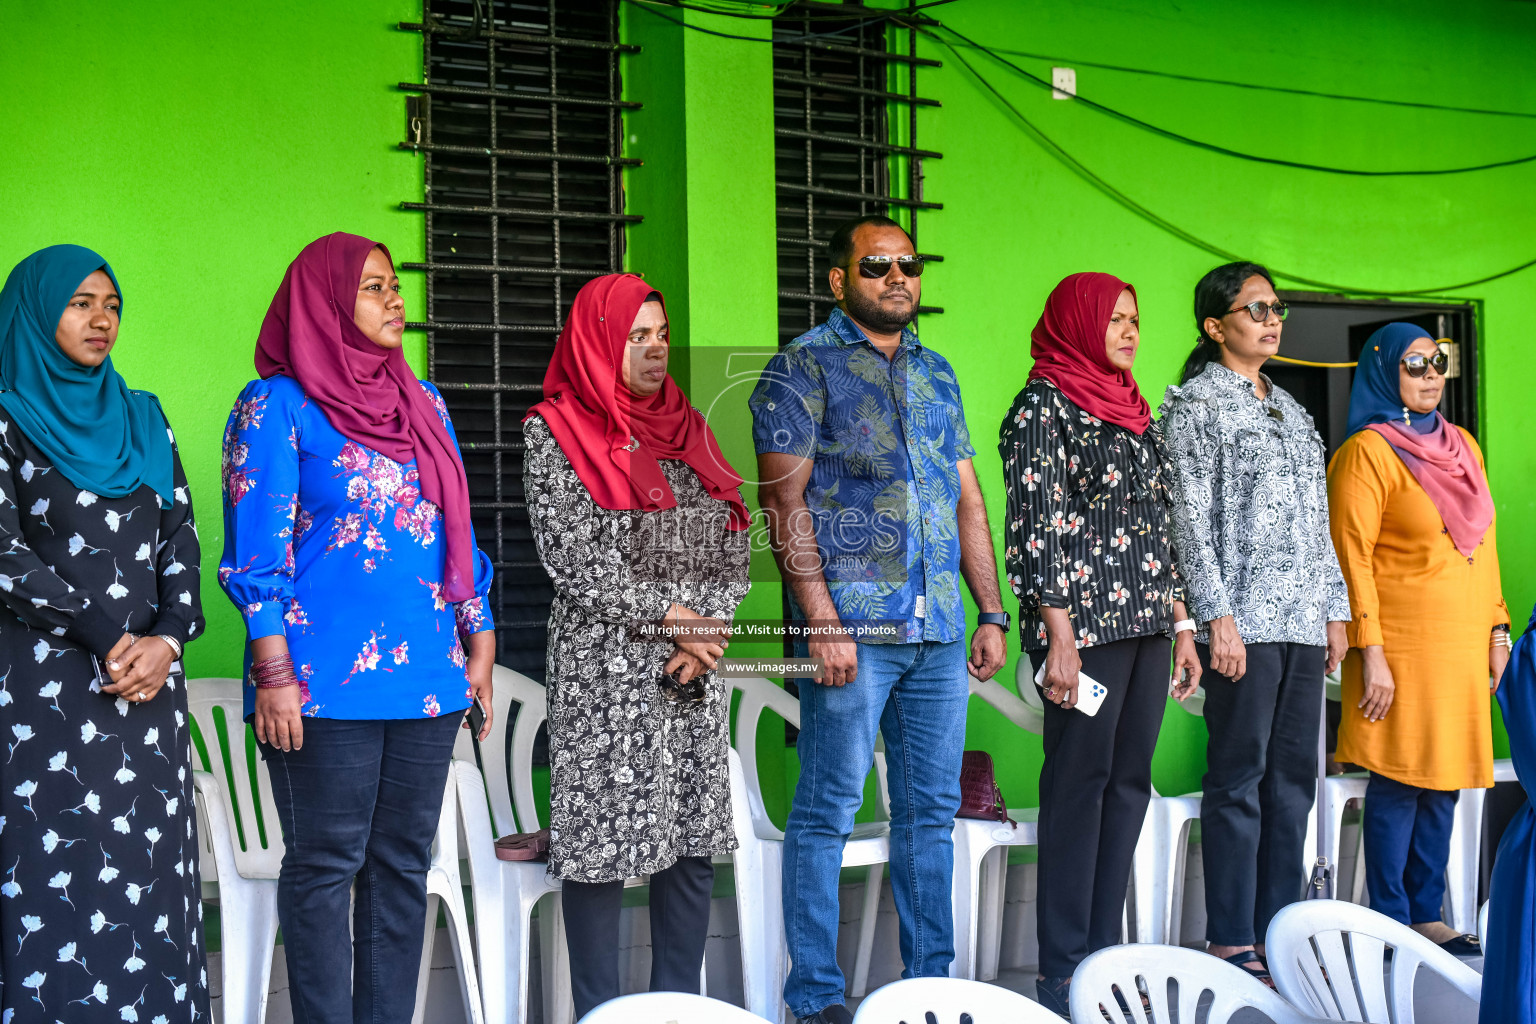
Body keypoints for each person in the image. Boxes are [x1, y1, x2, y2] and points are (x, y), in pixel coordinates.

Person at [219, 232, 495, 1021]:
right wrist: (272, 671)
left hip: (428, 678)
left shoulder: (423, 400)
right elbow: (255, 548)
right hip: (318, 682)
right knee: (326, 866)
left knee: (403, 867)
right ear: (328, 302)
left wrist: (479, 637)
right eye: (374, 287)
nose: (395, 298)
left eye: (395, 283)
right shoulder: (274, 405)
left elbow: (456, 533)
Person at [751, 215, 1008, 1024]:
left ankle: (931, 987)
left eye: (909, 264)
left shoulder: (939, 373)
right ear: (839, 280)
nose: (898, 276)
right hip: (856, 632)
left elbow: (967, 499)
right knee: (826, 811)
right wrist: (821, 623)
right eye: (876, 265)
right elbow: (783, 504)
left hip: (937, 634)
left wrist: (991, 610)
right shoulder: (799, 370)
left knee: (930, 814)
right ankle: (818, 1000)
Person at [522, 273, 751, 1018]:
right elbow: (576, 559)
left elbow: (732, 540)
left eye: (661, 335)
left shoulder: (687, 428)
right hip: (605, 669)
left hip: (694, 668)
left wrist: (706, 627)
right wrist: (675, 616)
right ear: (597, 341)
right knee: (601, 850)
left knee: (687, 842)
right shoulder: (553, 431)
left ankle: (678, 1008)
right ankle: (601, 1011)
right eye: (635, 337)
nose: (656, 350)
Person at [0, 245, 208, 1021]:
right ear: (34, 310)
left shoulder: (143, 416)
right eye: (80, 302)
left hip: (148, 699)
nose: (100, 319)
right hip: (46, 700)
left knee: (147, 876)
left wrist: (170, 638)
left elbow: (179, 538)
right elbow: (4, 551)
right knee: (55, 878)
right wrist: (102, 635)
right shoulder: (6, 419)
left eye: (111, 304)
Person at [999, 272, 1201, 1017]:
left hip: (1148, 623)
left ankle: (1102, 951)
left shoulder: (1138, 413)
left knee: (1128, 783)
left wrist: (1183, 625)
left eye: (1135, 319)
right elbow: (1036, 528)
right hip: (1084, 629)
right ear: (1077, 321)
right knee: (1078, 786)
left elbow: (1162, 524)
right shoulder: (1042, 408)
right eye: (1113, 318)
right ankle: (1060, 966)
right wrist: (1059, 638)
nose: (1127, 330)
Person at [1158, 261, 1350, 984]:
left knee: (1295, 780)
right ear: (1216, 326)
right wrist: (1216, 619)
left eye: (1278, 308)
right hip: (1243, 622)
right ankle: (1231, 936)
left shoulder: (1291, 408)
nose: (1273, 319)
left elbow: (1316, 522)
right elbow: (1188, 523)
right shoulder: (1197, 406)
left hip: (1302, 621)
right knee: (1239, 778)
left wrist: (1336, 609)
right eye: (1256, 308)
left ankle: (1281, 930)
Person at [1328, 321, 1508, 957]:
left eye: (1437, 363)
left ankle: (1427, 912)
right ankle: (1391, 916)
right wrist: (1369, 651)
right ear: (1383, 371)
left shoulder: (1464, 447)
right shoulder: (1366, 452)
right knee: (1401, 779)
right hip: (1398, 646)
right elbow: (1350, 560)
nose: (1430, 375)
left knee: (1446, 777)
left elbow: (1484, 548)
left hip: (1459, 642)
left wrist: (1498, 628)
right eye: (1414, 365)